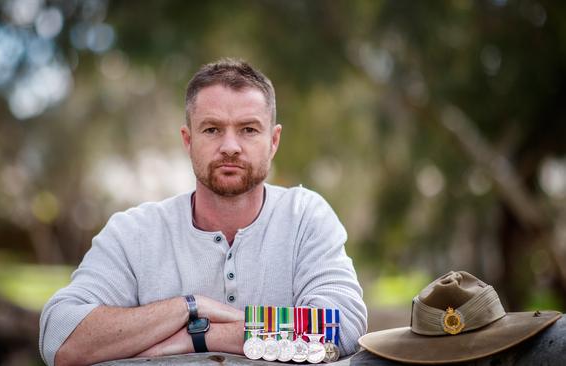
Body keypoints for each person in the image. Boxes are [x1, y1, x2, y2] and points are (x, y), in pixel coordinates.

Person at [39, 58, 367, 366]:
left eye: (249, 129)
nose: (230, 146)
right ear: (188, 140)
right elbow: (60, 337)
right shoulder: (134, 232)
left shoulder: (305, 216)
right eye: (212, 129)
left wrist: (202, 334)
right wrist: (190, 306)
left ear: (274, 140)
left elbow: (341, 327)